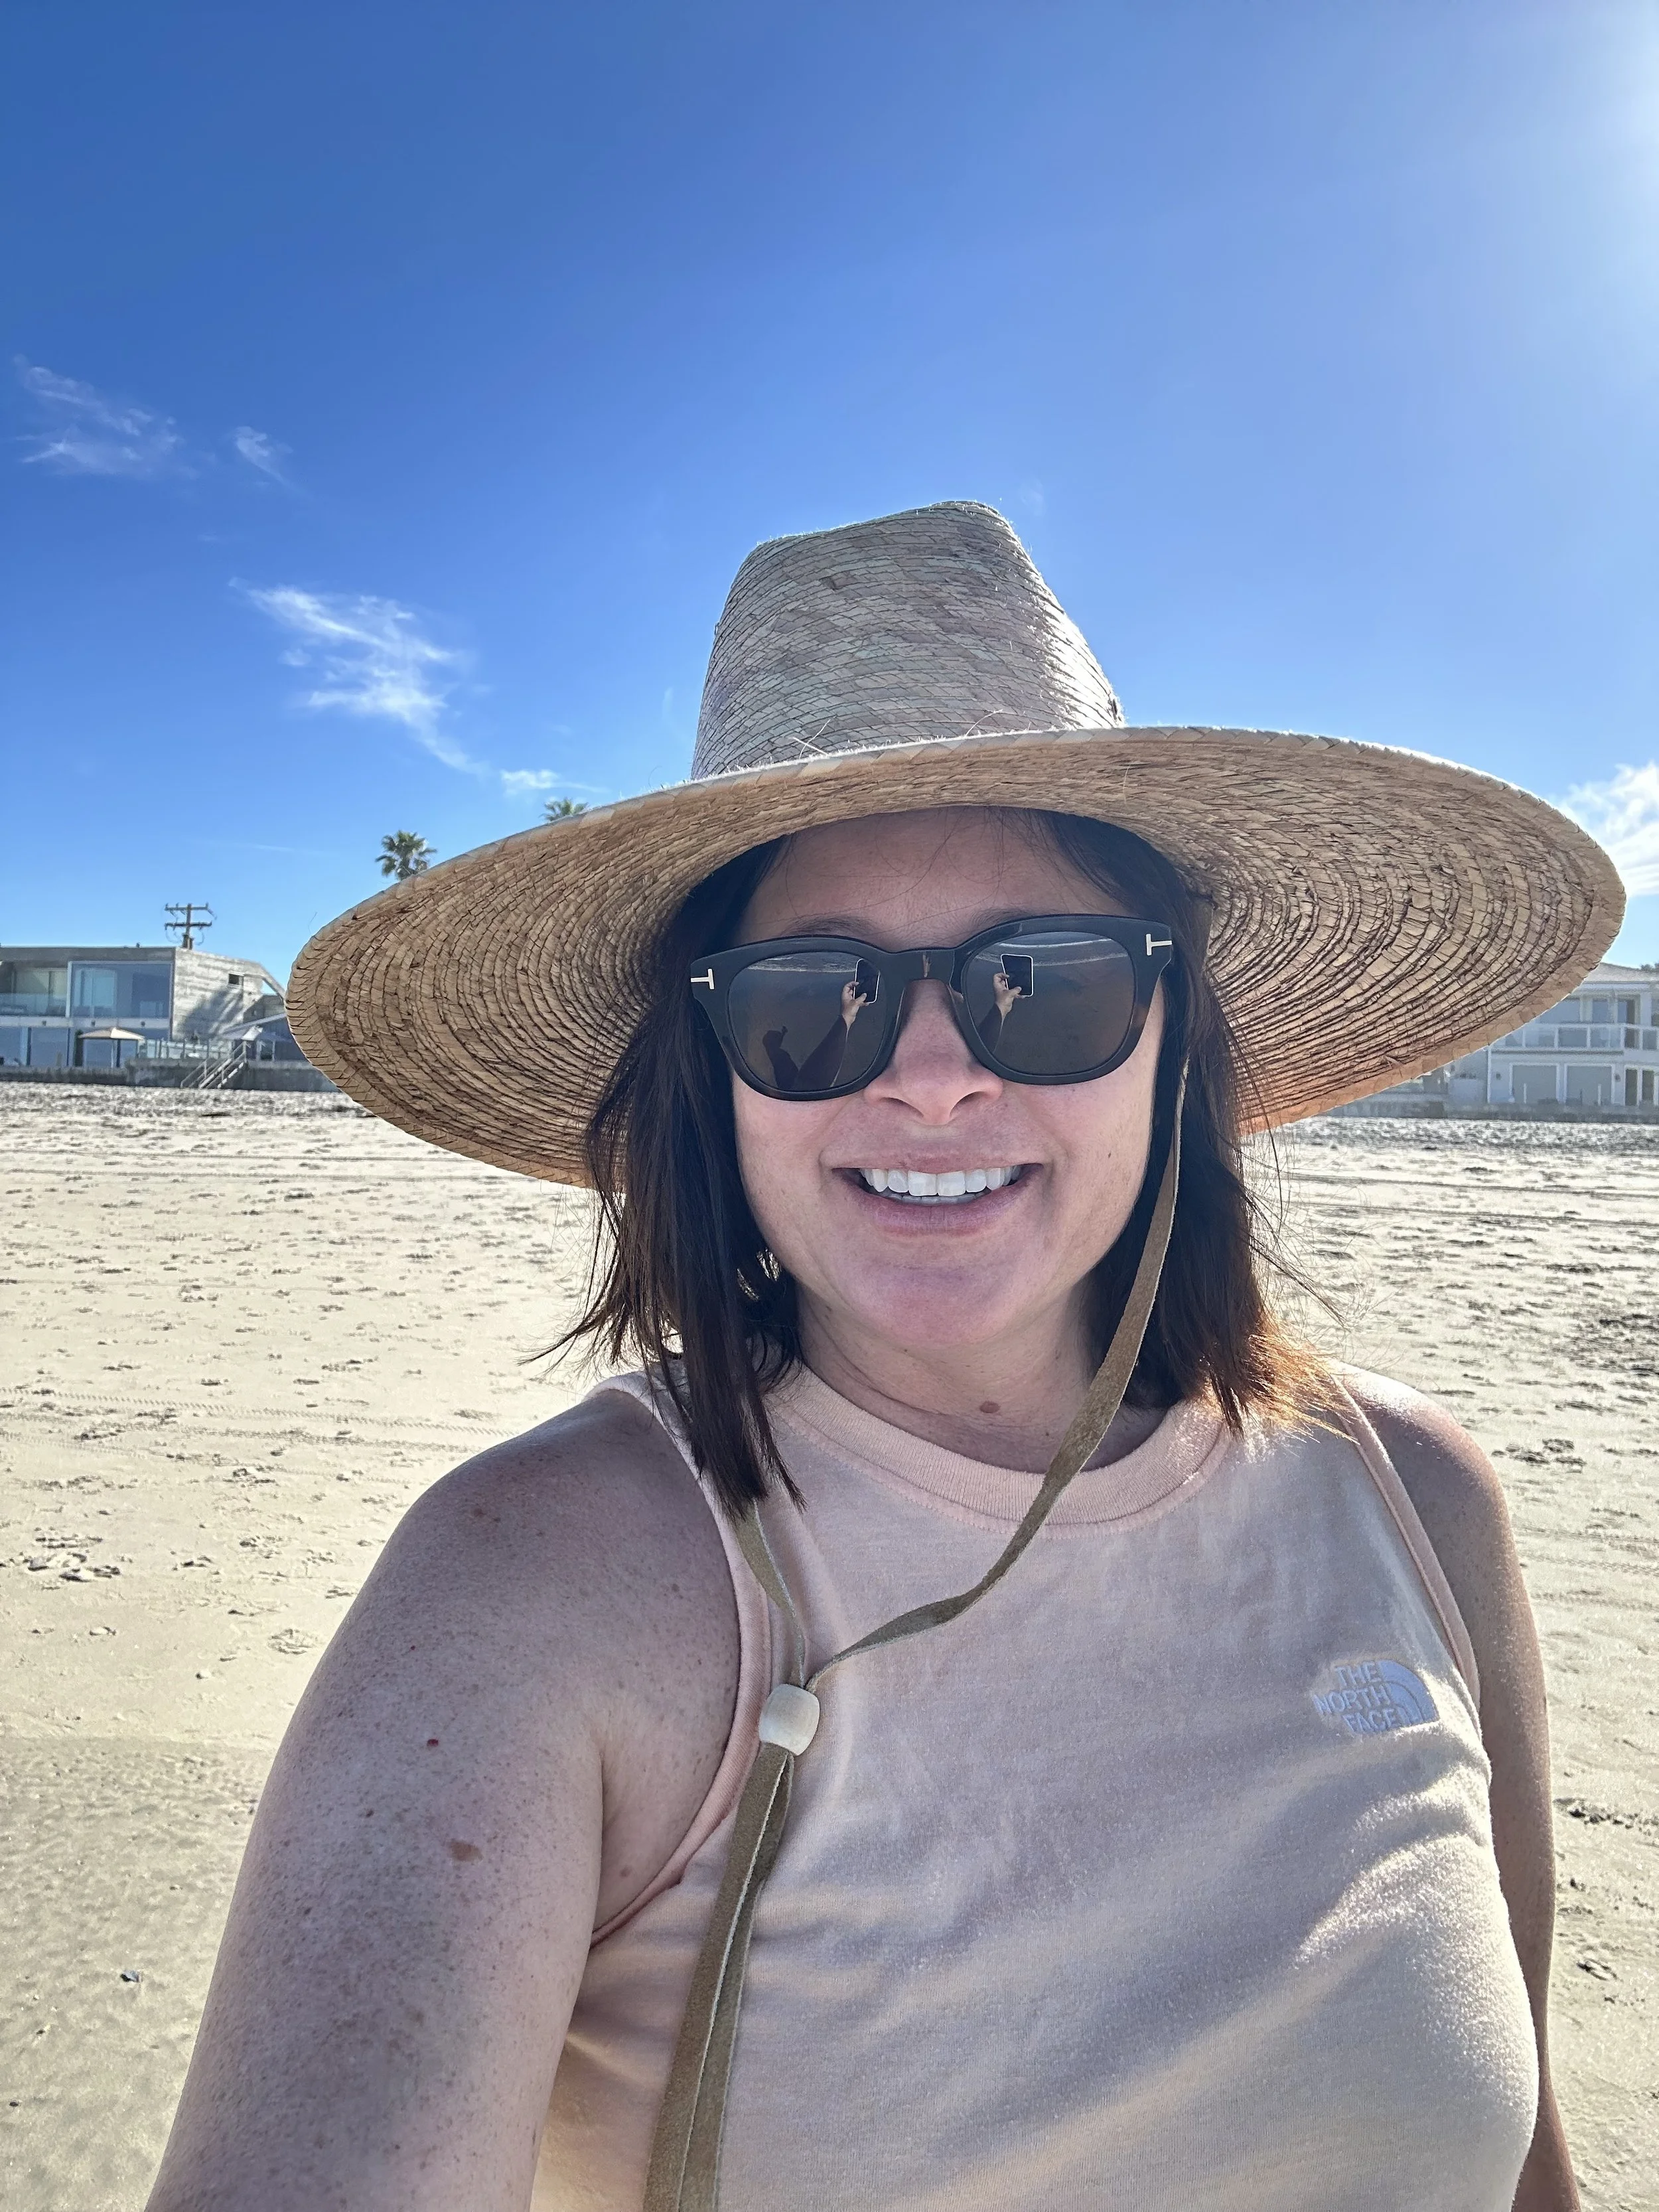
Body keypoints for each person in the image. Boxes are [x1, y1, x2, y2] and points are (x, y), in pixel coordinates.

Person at [147, 503, 1621, 2212]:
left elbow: (1530, 2176)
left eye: (1044, 984)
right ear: (712, 1076)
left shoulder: (1414, 1506)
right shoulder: (528, 1594)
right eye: (807, 1000)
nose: (926, 1076)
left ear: (1171, 1041)